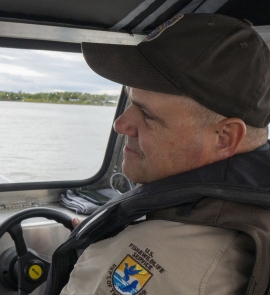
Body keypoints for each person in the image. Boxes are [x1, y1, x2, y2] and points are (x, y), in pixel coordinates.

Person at [53, 13, 270, 295]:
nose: (120, 124)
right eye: (131, 101)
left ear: (225, 137)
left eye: (147, 113)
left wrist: (98, 256)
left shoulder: (149, 259)